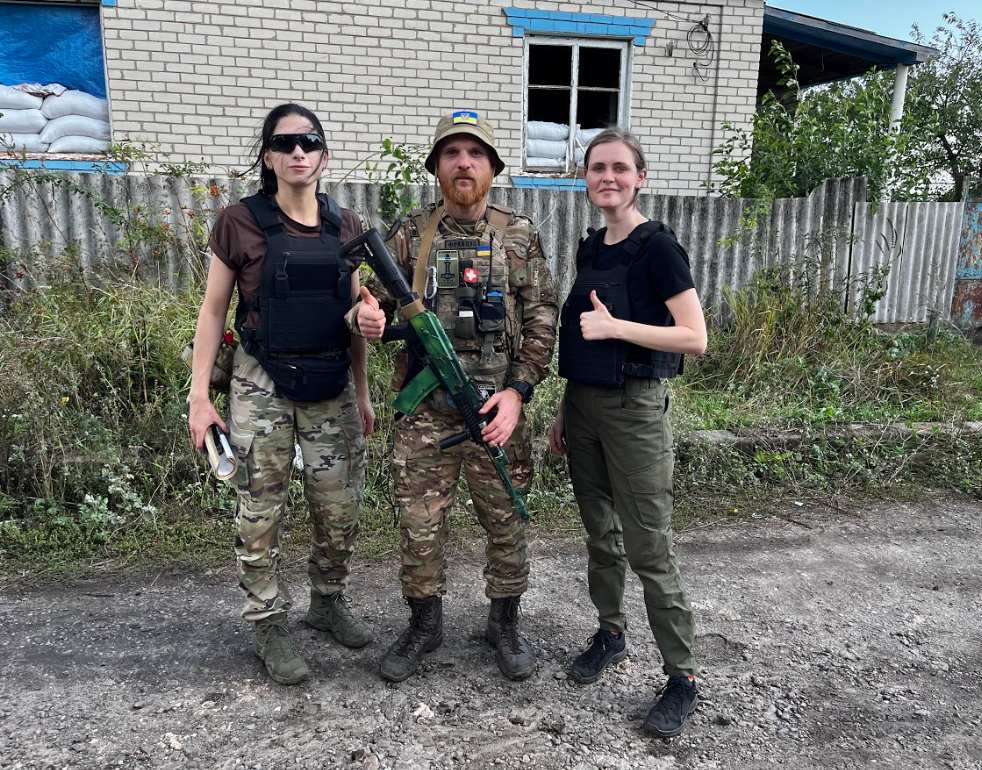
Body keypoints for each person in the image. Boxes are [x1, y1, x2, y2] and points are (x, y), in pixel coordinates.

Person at [187, 103, 386, 686]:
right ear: (268, 156)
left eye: (310, 142)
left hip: (331, 385)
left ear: (324, 154)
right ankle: (269, 622)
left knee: (340, 507)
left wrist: (363, 389)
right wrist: (199, 397)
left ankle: (327, 600)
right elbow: (212, 311)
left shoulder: (346, 225)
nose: (299, 151)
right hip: (262, 383)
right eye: (285, 142)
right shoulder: (239, 222)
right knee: (260, 511)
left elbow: (356, 312)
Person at [364, 109, 559, 683]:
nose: (464, 163)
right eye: (452, 153)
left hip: (497, 409)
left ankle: (504, 623)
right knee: (419, 525)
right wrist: (365, 317)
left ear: (493, 168)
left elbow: (543, 315)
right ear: (437, 167)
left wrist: (519, 392)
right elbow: (368, 302)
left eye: (476, 153)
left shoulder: (519, 234)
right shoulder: (410, 232)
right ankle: (424, 624)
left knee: (507, 520)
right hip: (425, 414)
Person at [547, 127, 708, 737]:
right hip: (585, 405)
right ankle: (611, 634)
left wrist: (619, 329)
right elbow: (582, 337)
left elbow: (694, 336)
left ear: (640, 177)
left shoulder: (658, 248)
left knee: (648, 546)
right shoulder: (591, 248)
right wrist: (565, 410)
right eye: (597, 168)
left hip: (636, 410)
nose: (607, 177)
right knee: (601, 534)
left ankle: (682, 677)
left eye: (619, 168)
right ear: (585, 178)